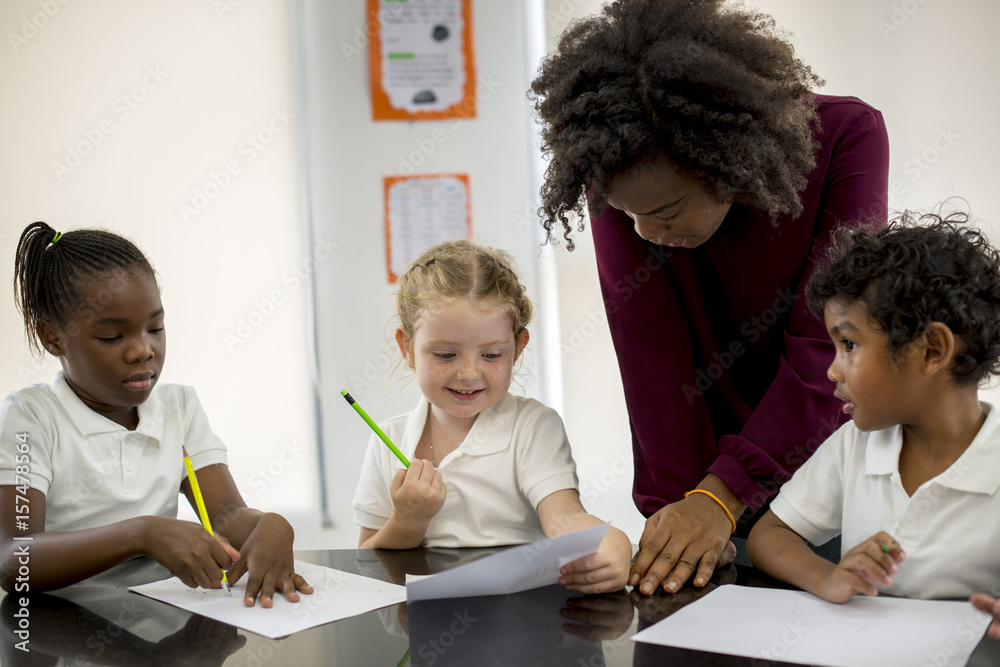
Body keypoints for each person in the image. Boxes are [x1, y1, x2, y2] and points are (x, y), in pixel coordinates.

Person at [529, 0, 889, 596]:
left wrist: (722, 493)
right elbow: (650, 352)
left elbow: (827, 346)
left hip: (824, 465)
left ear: (730, 164)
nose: (647, 233)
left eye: (666, 212)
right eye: (628, 215)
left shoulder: (847, 137)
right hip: (696, 480)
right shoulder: (618, 162)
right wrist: (683, 508)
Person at [0, 221, 312, 607]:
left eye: (156, 328)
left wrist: (269, 525)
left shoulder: (178, 408)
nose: (142, 350)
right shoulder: (31, 417)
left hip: (159, 623)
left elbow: (228, 519)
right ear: (53, 337)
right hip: (63, 632)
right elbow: (14, 560)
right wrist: (141, 534)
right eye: (112, 337)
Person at [745, 214, 1000, 629]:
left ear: (932, 350)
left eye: (849, 344)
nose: (832, 370)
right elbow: (768, 535)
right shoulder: (854, 446)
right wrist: (826, 577)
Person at [352, 240, 632, 594]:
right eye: (445, 354)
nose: (469, 373)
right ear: (407, 347)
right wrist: (410, 520)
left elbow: (564, 518)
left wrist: (612, 541)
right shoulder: (386, 438)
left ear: (519, 348)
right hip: (426, 624)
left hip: (518, 620)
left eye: (492, 355)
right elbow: (367, 559)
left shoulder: (532, 426)